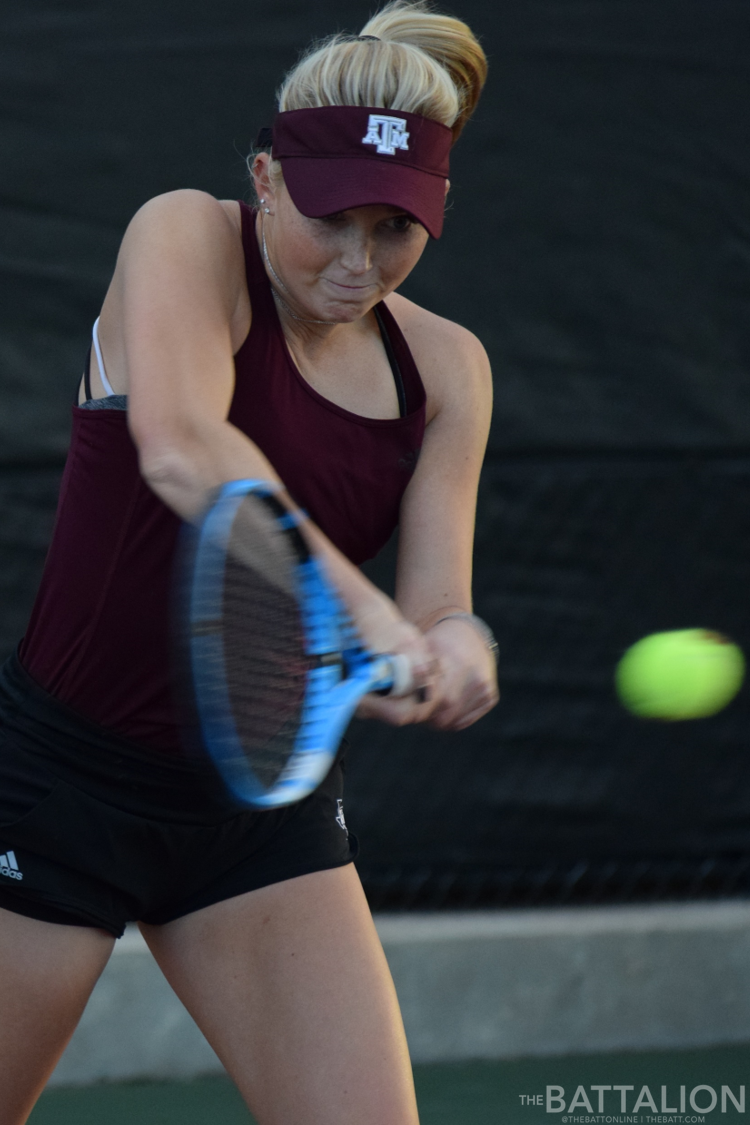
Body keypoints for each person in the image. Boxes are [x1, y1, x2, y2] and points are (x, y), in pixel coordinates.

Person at [0, 2, 497, 1122]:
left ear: (440, 214)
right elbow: (182, 446)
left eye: (396, 228)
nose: (358, 262)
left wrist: (457, 643)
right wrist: (360, 609)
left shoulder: (449, 371)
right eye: (331, 219)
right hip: (54, 792)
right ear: (268, 180)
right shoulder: (183, 237)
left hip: (260, 825)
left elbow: (439, 601)